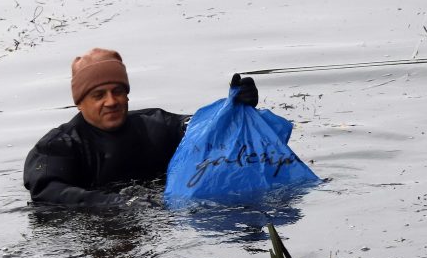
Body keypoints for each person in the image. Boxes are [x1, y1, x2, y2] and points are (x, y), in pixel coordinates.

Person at [23, 47, 258, 207]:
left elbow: (202, 130)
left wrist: (234, 109)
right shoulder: (58, 146)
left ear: (127, 94)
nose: (111, 101)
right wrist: (114, 204)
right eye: (98, 95)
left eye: (118, 91)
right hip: (101, 222)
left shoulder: (157, 126)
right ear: (79, 103)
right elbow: (46, 192)